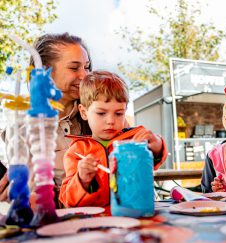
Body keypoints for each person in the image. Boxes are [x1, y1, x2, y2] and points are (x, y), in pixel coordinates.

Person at [1, 33, 93, 202]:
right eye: (74, 68)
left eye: (86, 67)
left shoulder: (99, 113)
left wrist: (156, 149)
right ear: (44, 72)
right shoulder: (23, 125)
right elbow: (32, 195)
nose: (85, 75)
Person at [59, 70, 167, 212]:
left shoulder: (133, 139)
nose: (111, 121)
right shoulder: (77, 152)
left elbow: (153, 160)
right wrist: (82, 179)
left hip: (136, 215)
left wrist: (157, 145)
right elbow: (67, 200)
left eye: (118, 113)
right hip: (98, 223)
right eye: (101, 113)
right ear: (84, 112)